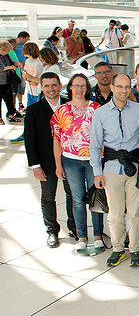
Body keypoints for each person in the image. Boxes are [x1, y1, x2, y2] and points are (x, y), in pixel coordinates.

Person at [90, 73, 139, 268]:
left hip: (134, 166)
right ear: (112, 87)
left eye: (127, 87)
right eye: (120, 87)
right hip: (111, 168)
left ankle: (135, 249)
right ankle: (118, 249)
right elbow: (95, 144)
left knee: (134, 212)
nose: (124, 90)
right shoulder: (100, 113)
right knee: (115, 213)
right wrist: (97, 172)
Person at [23, 72, 77, 247]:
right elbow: (30, 141)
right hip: (46, 163)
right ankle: (52, 230)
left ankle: (75, 227)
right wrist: (35, 165)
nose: (50, 89)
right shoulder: (33, 110)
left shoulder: (71, 106)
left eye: (54, 85)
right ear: (41, 87)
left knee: (73, 195)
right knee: (48, 197)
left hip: (70, 161)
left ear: (60, 85)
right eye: (46, 86)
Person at [52, 74, 104, 254]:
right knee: (77, 199)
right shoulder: (62, 110)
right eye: (76, 86)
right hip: (70, 160)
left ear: (87, 88)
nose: (80, 89)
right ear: (70, 87)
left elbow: (102, 136)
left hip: (92, 160)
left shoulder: (96, 109)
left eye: (83, 86)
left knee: (96, 197)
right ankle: (82, 236)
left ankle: (98, 235)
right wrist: (58, 165)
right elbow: (57, 140)